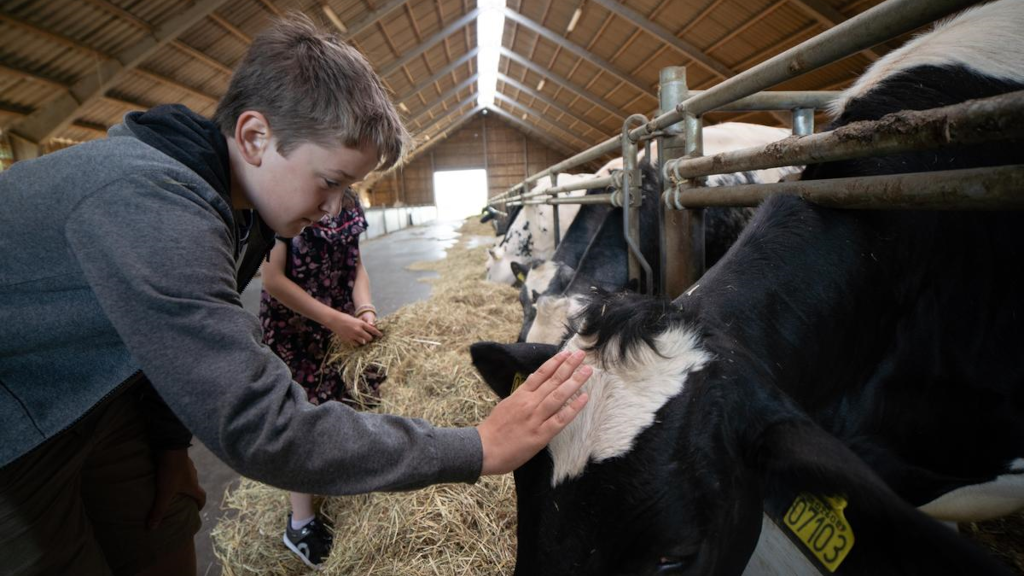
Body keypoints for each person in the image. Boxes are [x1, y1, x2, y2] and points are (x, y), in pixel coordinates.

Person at [0, 15, 591, 576]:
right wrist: (477, 447)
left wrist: (168, 444)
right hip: (17, 422)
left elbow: (160, 341)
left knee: (164, 526)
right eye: (330, 182)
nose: (334, 208)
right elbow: (263, 426)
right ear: (255, 136)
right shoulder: (152, 206)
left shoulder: (244, 212)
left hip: (106, 398)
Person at [259, 187, 385, 566]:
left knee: (353, 396)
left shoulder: (348, 201)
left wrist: (364, 307)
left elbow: (356, 264)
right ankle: (301, 522)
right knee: (303, 413)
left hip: (342, 323)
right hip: (296, 329)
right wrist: (333, 319)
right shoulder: (285, 197)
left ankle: (342, 472)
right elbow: (272, 280)